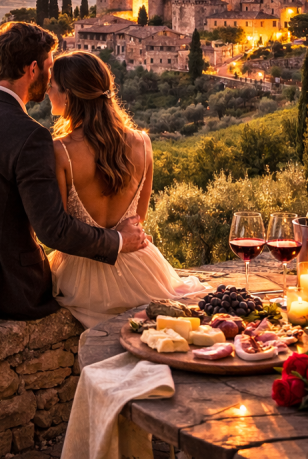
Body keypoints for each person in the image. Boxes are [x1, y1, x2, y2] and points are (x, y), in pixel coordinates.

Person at [0, 23, 149, 323]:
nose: (49, 81)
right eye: (48, 68)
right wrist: (119, 241)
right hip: (6, 293)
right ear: (33, 69)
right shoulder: (30, 135)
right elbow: (52, 229)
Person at [47, 51, 206, 327]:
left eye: (53, 85)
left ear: (69, 95)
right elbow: (138, 218)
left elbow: (61, 232)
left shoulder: (60, 151)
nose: (48, 90)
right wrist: (119, 238)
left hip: (82, 280)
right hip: (141, 268)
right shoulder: (143, 142)